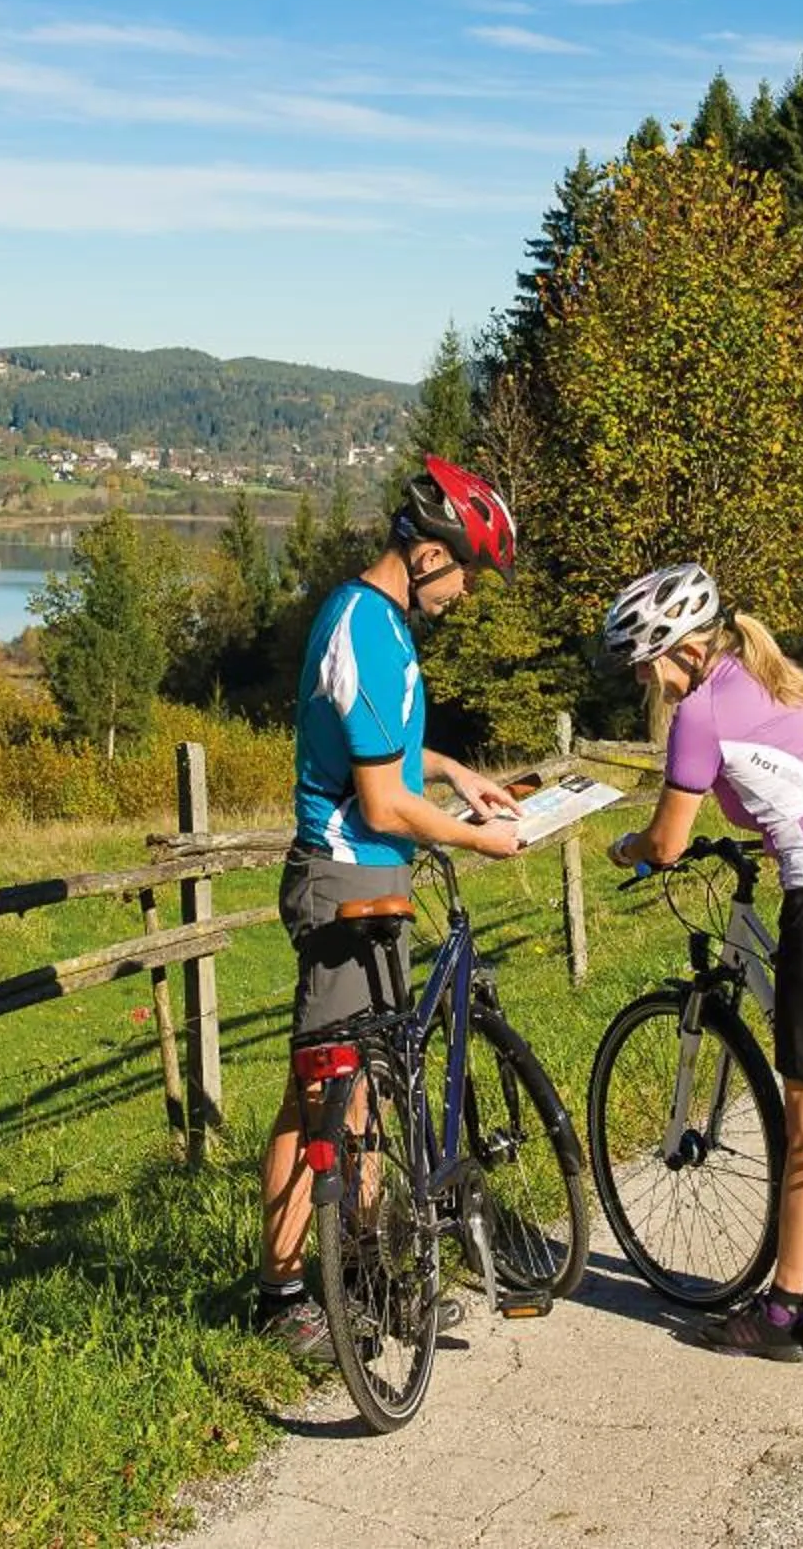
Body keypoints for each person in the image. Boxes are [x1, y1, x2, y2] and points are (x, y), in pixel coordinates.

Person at [600, 561, 803, 1359]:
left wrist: (628, 850)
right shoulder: (784, 676)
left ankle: (782, 1314)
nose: (644, 677)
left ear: (672, 652)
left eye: (644, 661)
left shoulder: (701, 712)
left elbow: (669, 843)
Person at [252, 457, 529, 1363]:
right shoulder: (365, 627)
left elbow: (388, 744)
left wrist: (453, 772)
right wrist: (473, 837)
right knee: (327, 1094)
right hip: (344, 880)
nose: (468, 592)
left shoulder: (387, 626)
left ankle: (367, 1280)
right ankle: (291, 1293)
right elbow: (376, 803)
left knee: (365, 1089)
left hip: (377, 883)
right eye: (466, 571)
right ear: (421, 551)